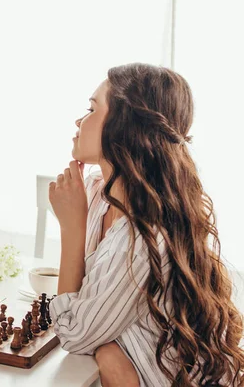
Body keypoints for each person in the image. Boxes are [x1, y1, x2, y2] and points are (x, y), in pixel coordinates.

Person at [48, 63, 244, 386]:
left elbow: (74, 333)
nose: (79, 120)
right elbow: (87, 312)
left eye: (91, 108)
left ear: (123, 128)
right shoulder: (97, 193)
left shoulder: (144, 236)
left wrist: (71, 230)